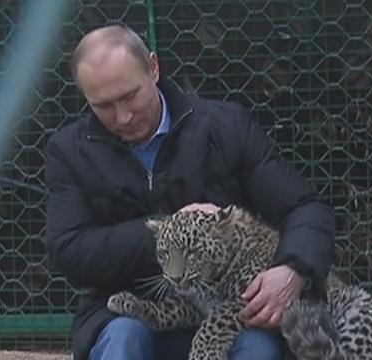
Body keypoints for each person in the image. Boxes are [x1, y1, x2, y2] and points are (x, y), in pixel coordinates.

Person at [45, 24, 336, 360]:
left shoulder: (226, 127)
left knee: (256, 348)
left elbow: (305, 207)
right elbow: (68, 249)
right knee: (121, 340)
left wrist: (293, 270)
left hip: (231, 309)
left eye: (130, 96)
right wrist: (167, 231)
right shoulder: (68, 150)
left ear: (153, 68)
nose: (122, 117)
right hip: (131, 308)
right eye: (103, 105)